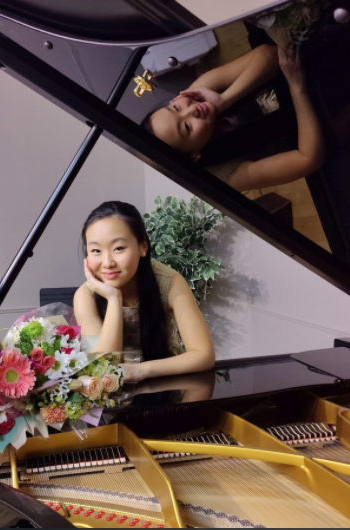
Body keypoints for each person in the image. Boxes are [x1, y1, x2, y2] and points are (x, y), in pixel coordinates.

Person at [142, 44, 325, 192]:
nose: (191, 111)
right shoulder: (224, 174)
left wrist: (225, 99)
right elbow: (308, 159)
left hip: (304, 67)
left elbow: (269, 54)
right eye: (187, 127)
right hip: (318, 120)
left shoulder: (194, 95)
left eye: (174, 108)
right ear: (194, 156)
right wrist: (296, 85)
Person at [73, 201, 215, 383]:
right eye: (96, 251)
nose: (107, 262)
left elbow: (204, 355)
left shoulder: (170, 282)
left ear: (143, 247)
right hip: (112, 403)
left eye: (119, 248)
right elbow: (105, 368)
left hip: (167, 391)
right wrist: (114, 298)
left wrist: (140, 370)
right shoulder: (85, 296)